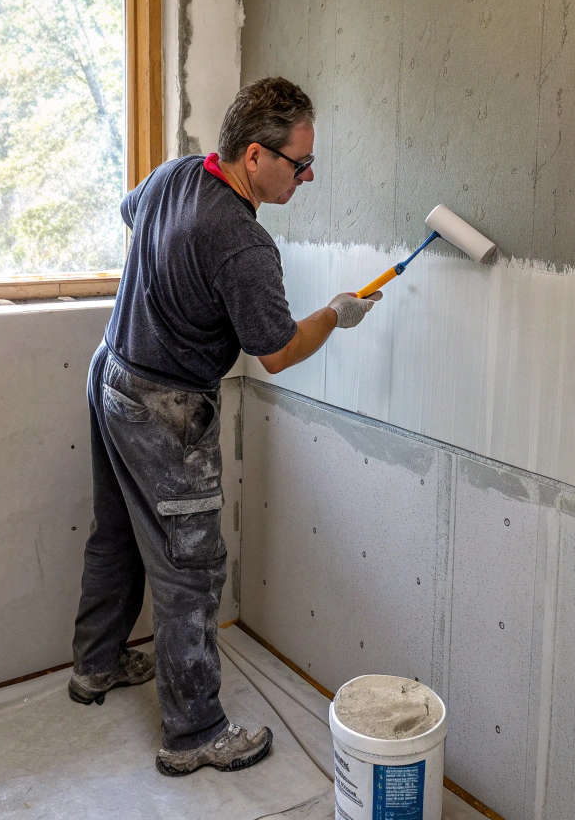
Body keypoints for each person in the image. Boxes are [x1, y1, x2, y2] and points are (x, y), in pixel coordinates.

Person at [70, 77, 382, 776]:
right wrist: (335, 313)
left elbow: (132, 213)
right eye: (298, 164)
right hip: (163, 407)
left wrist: (176, 279)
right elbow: (276, 352)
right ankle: (192, 735)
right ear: (252, 156)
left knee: (117, 529)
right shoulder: (241, 245)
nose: (308, 175)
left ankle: (94, 666)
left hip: (112, 369)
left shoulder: (176, 173)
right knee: (192, 568)